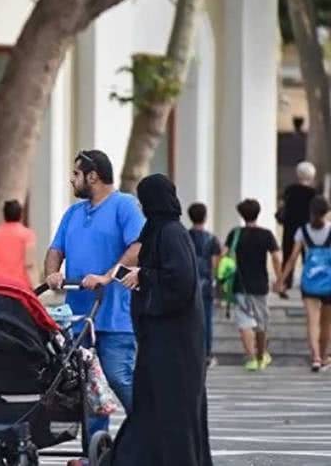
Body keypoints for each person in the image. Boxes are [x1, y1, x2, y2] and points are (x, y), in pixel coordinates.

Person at [107, 174, 213, 466]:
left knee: (172, 410)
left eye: (144, 200)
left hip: (175, 346)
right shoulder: (157, 231)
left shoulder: (171, 233)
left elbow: (181, 280)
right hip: (160, 342)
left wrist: (144, 276)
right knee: (152, 407)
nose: (141, 206)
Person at [44, 150, 145, 437]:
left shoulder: (124, 205)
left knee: (117, 376)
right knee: (88, 384)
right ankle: (95, 447)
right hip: (79, 318)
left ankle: (151, 431)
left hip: (115, 315)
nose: (71, 180)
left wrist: (107, 276)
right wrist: (53, 273)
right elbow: (55, 250)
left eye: (76, 174)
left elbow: (137, 247)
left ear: (93, 176)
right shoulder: (73, 212)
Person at [225, 199, 283, 372]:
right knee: (261, 321)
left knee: (244, 321)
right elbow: (275, 257)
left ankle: (250, 358)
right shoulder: (266, 234)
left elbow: (224, 255)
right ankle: (261, 356)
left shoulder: (235, 234)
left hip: (239, 284)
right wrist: (279, 278)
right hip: (260, 284)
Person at [275, 195, 331, 372]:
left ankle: (314, 357)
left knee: (312, 321)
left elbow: (292, 258)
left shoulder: (302, 231)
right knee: (326, 323)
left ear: (311, 211)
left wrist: (281, 280)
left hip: (309, 282)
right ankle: (323, 357)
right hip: (329, 282)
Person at [187, 203, 222, 367]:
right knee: (206, 321)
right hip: (206, 284)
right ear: (205, 217)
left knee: (188, 320)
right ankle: (207, 354)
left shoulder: (185, 237)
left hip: (188, 284)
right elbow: (215, 265)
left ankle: (190, 352)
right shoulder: (212, 239)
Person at [278, 161, 318, 297]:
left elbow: (282, 206)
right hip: (308, 230)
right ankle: (308, 285)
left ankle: (284, 284)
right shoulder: (313, 193)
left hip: (290, 228)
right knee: (308, 257)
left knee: (288, 256)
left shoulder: (289, 190)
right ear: (312, 176)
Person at [0, 199, 37, 288]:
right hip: (20, 286)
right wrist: (34, 286)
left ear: (4, 214)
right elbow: (29, 264)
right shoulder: (27, 235)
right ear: (20, 215)